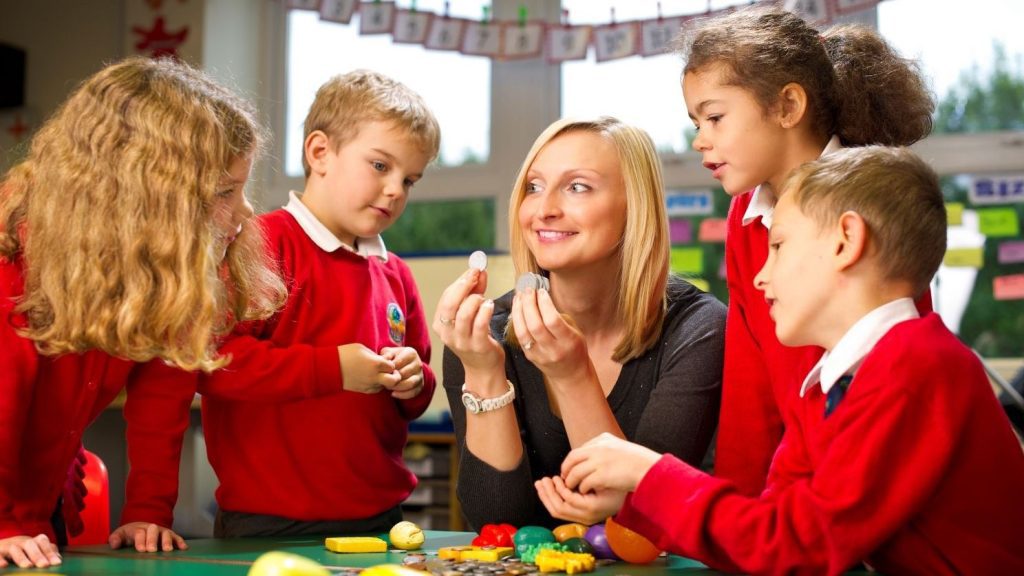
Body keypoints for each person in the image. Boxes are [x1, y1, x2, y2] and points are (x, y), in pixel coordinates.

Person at [537, 146, 1024, 575]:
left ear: (845, 242)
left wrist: (650, 474)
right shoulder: (830, 384)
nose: (760, 277)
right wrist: (637, 496)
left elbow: (799, 547)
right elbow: (764, 531)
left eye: (778, 246)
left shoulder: (914, 369)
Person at [121, 69, 440, 538]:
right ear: (320, 152)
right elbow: (210, 364)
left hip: (382, 521)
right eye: (380, 166)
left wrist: (414, 380)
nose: (395, 190)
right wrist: (333, 370)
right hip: (268, 522)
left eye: (409, 179)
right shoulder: (258, 244)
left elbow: (417, 398)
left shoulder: (396, 273)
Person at [0, 57, 285, 568]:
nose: (245, 212)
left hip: (39, 515)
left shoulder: (153, 268)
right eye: (224, 192)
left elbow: (162, 389)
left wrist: (148, 511)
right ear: (145, 196)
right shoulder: (13, 266)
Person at [678, 6, 936, 495]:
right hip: (795, 491)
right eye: (695, 121)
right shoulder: (744, 218)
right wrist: (737, 508)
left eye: (714, 117)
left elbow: (899, 371)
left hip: (868, 488)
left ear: (787, 107)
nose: (698, 140)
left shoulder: (873, 204)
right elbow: (748, 386)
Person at [434, 116, 725, 529]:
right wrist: (483, 372)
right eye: (533, 187)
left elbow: (641, 519)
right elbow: (496, 521)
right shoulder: (485, 334)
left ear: (634, 206)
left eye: (577, 187)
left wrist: (572, 376)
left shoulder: (697, 328)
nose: (544, 210)